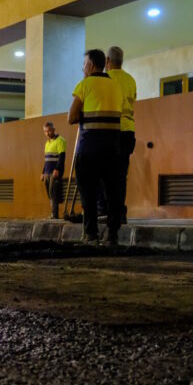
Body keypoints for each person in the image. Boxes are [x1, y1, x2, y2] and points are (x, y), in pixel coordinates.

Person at [67, 49, 123, 245]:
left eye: (84, 65)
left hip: (89, 148)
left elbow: (71, 117)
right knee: (112, 192)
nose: (82, 68)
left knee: (88, 192)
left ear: (91, 65)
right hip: (113, 147)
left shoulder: (85, 85)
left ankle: (90, 233)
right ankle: (112, 234)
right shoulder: (116, 86)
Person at [105, 46, 137, 224]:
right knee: (121, 173)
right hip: (128, 130)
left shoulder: (105, 78)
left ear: (107, 62)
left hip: (110, 129)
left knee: (107, 174)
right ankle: (120, 211)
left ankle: (110, 211)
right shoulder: (130, 80)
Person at [41, 122, 66, 219]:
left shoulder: (60, 140)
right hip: (47, 173)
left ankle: (55, 215)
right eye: (45, 131)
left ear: (54, 130)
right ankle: (53, 214)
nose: (47, 133)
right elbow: (46, 159)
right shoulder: (47, 143)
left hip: (55, 172)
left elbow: (62, 157)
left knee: (54, 194)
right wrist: (43, 172)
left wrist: (57, 169)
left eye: (49, 131)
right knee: (50, 194)